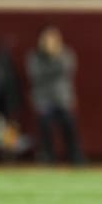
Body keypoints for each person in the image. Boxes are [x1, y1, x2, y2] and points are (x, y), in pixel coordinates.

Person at [25, 26, 85, 165]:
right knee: (45, 122)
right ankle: (47, 155)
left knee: (69, 121)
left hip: (62, 100)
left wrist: (54, 57)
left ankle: (75, 155)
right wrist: (50, 62)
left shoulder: (66, 54)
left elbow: (66, 70)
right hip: (43, 100)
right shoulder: (34, 56)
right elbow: (35, 75)